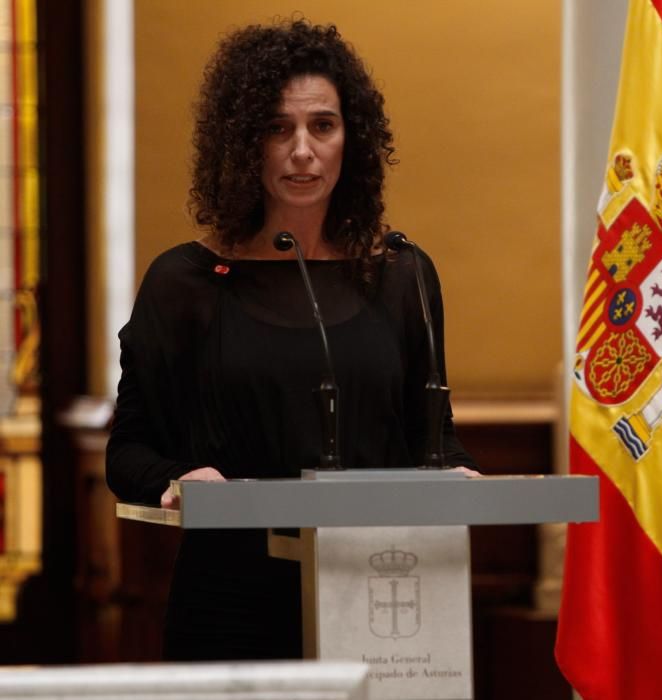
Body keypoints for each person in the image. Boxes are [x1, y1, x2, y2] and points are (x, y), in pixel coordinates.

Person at [105, 20, 476, 661]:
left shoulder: (403, 274)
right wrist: (177, 476)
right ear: (243, 143)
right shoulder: (185, 283)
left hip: (381, 594)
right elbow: (127, 452)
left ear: (350, 140)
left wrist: (457, 477)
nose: (302, 150)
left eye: (322, 126)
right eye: (278, 128)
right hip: (230, 606)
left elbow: (432, 439)